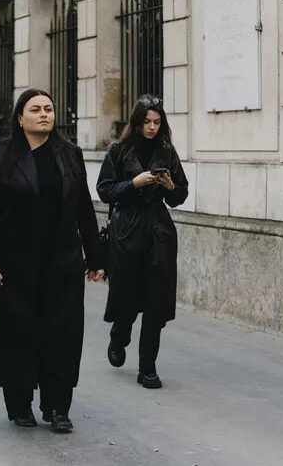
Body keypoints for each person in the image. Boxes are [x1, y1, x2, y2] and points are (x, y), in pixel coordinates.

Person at [0, 88, 104, 433]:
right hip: (14, 263)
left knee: (62, 334)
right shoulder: (1, 154)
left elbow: (83, 207)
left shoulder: (70, 154)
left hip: (62, 261)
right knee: (19, 334)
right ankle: (20, 404)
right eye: (36, 109)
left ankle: (58, 407)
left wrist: (95, 256)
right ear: (20, 118)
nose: (44, 114)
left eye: (48, 108)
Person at [96, 94, 189, 389]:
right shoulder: (118, 150)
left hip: (159, 232)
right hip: (126, 230)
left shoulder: (167, 151)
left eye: (157, 122)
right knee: (126, 294)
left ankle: (147, 368)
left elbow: (180, 196)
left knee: (155, 301)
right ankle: (119, 335)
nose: (152, 127)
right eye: (147, 122)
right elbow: (104, 190)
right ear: (136, 122)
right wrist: (134, 184)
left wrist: (170, 186)